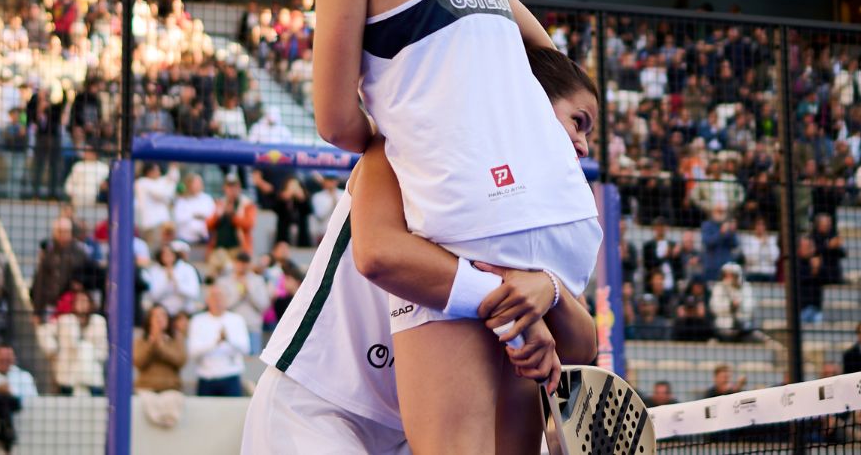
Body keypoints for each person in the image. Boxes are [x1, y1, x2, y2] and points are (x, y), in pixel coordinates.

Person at [302, 0, 603, 451]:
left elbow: (334, 121)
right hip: (565, 218)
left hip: (469, 218)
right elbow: (550, 60)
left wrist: (396, 140)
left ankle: (517, 306)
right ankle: (532, 308)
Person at [244, 47, 600, 454]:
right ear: (526, 99)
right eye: (578, 122)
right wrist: (505, 296)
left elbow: (580, 346)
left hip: (410, 429)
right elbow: (379, 256)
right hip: (318, 399)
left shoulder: (540, 213)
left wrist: (549, 289)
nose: (584, 146)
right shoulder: (404, 149)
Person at [39, 290, 108, 396]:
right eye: (79, 301)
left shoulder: (98, 321)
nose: (82, 304)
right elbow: (44, 330)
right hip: (67, 376)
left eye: (84, 301)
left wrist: (93, 354)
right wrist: (53, 351)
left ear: (90, 303)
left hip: (92, 377)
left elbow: (103, 346)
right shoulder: (65, 320)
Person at [187, 283, 250, 397]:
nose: (217, 301)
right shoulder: (198, 321)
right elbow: (193, 351)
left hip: (231, 376)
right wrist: (215, 342)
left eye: (220, 297)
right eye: (214, 297)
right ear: (207, 300)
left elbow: (245, 348)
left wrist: (228, 339)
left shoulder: (237, 320)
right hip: (206, 377)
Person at [31, 216, 90, 319]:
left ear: (70, 233)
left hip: (71, 307)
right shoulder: (48, 253)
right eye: (60, 231)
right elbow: (40, 282)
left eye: (65, 232)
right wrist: (37, 312)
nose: (63, 235)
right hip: (50, 305)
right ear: (54, 233)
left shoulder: (80, 253)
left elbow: (88, 279)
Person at [218, 252, 271, 354]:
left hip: (252, 327)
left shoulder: (258, 280)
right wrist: (239, 295)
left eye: (245, 263)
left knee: (252, 360)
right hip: (231, 327)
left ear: (249, 264)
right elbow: (222, 306)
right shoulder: (224, 281)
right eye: (239, 263)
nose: (242, 266)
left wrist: (249, 292)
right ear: (234, 263)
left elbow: (264, 305)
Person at [134, 305, 188, 393]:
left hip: (171, 389)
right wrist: (152, 344)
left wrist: (161, 346)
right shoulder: (141, 340)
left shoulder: (177, 339)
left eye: (163, 315)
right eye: (156, 316)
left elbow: (180, 360)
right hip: (145, 388)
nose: (159, 319)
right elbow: (139, 362)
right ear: (149, 320)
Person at [206, 174, 257, 254]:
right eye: (229, 186)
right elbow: (208, 225)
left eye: (234, 186)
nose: (232, 190)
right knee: (219, 256)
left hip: (239, 248)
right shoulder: (219, 203)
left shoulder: (246, 204)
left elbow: (249, 224)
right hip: (219, 248)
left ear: (239, 187)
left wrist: (233, 215)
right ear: (224, 188)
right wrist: (218, 215)